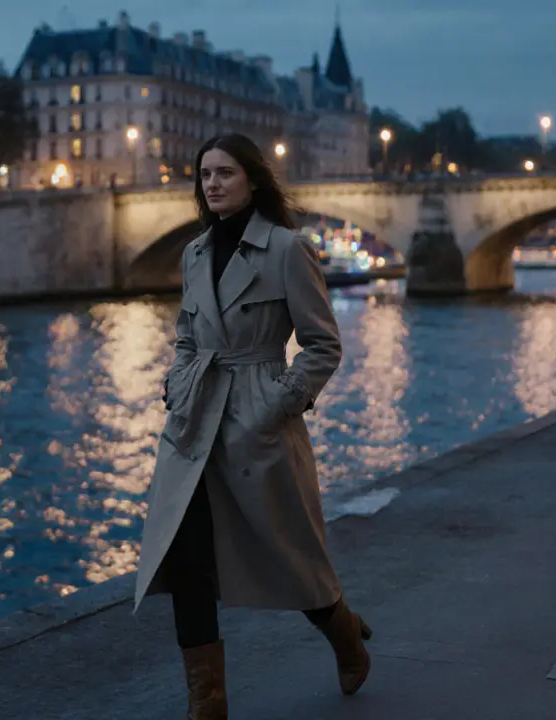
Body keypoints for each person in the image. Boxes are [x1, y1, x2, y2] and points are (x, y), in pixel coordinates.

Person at [133, 133, 372, 719]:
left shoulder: (288, 249)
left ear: (255, 181)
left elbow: (321, 345)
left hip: (254, 420)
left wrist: (276, 404)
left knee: (287, 555)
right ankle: (207, 703)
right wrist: (176, 380)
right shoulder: (193, 252)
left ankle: (342, 631)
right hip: (193, 424)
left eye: (225, 173)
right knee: (185, 558)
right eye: (205, 174)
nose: (212, 184)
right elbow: (188, 335)